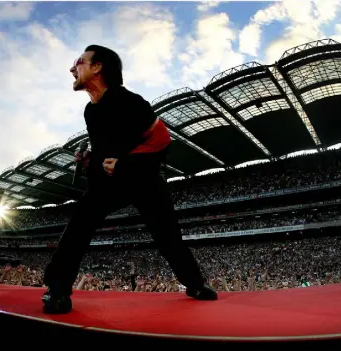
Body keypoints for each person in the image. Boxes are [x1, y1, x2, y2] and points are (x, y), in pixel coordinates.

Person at [41, 45, 217, 314]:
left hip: (143, 178)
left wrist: (127, 164)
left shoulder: (129, 101)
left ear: (98, 67)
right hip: (109, 182)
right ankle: (58, 289)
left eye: (79, 62)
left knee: (167, 236)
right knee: (79, 225)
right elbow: (105, 151)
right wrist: (89, 160)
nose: (72, 68)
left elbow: (161, 139)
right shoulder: (90, 111)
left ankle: (194, 284)